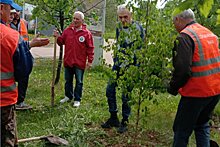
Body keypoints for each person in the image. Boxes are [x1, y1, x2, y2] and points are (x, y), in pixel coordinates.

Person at [167, 9, 220, 147]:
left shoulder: (184, 37)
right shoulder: (209, 34)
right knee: (202, 125)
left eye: (174, 22)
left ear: (178, 20)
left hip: (196, 93)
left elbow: (183, 70)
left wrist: (172, 87)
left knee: (181, 131)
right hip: (214, 91)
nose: (174, 26)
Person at [0, 0, 49, 146]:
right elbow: (23, 71)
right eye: (10, 10)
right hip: (3, 102)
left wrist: (29, 44)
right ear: (1, 8)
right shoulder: (10, 36)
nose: (12, 14)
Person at [101, 4, 144, 133]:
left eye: (125, 17)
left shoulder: (138, 28)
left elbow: (140, 50)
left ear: (131, 15)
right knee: (110, 89)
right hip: (118, 64)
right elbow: (119, 43)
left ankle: (125, 121)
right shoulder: (119, 27)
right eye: (120, 17)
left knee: (126, 95)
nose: (123, 20)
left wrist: (135, 67)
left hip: (131, 66)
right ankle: (113, 117)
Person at [53, 11, 94, 107]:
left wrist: (90, 61)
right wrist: (57, 37)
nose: (75, 20)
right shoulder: (67, 31)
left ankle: (77, 99)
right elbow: (61, 42)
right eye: (74, 18)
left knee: (79, 81)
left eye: (77, 19)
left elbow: (90, 48)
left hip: (80, 62)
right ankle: (68, 96)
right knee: (68, 80)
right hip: (68, 61)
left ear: (82, 21)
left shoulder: (86, 33)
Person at [10, 8, 31, 109]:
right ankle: (10, 101)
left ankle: (20, 101)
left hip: (23, 52)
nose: (16, 14)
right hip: (11, 53)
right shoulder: (7, 22)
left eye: (18, 11)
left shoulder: (24, 22)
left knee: (24, 77)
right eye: (15, 12)